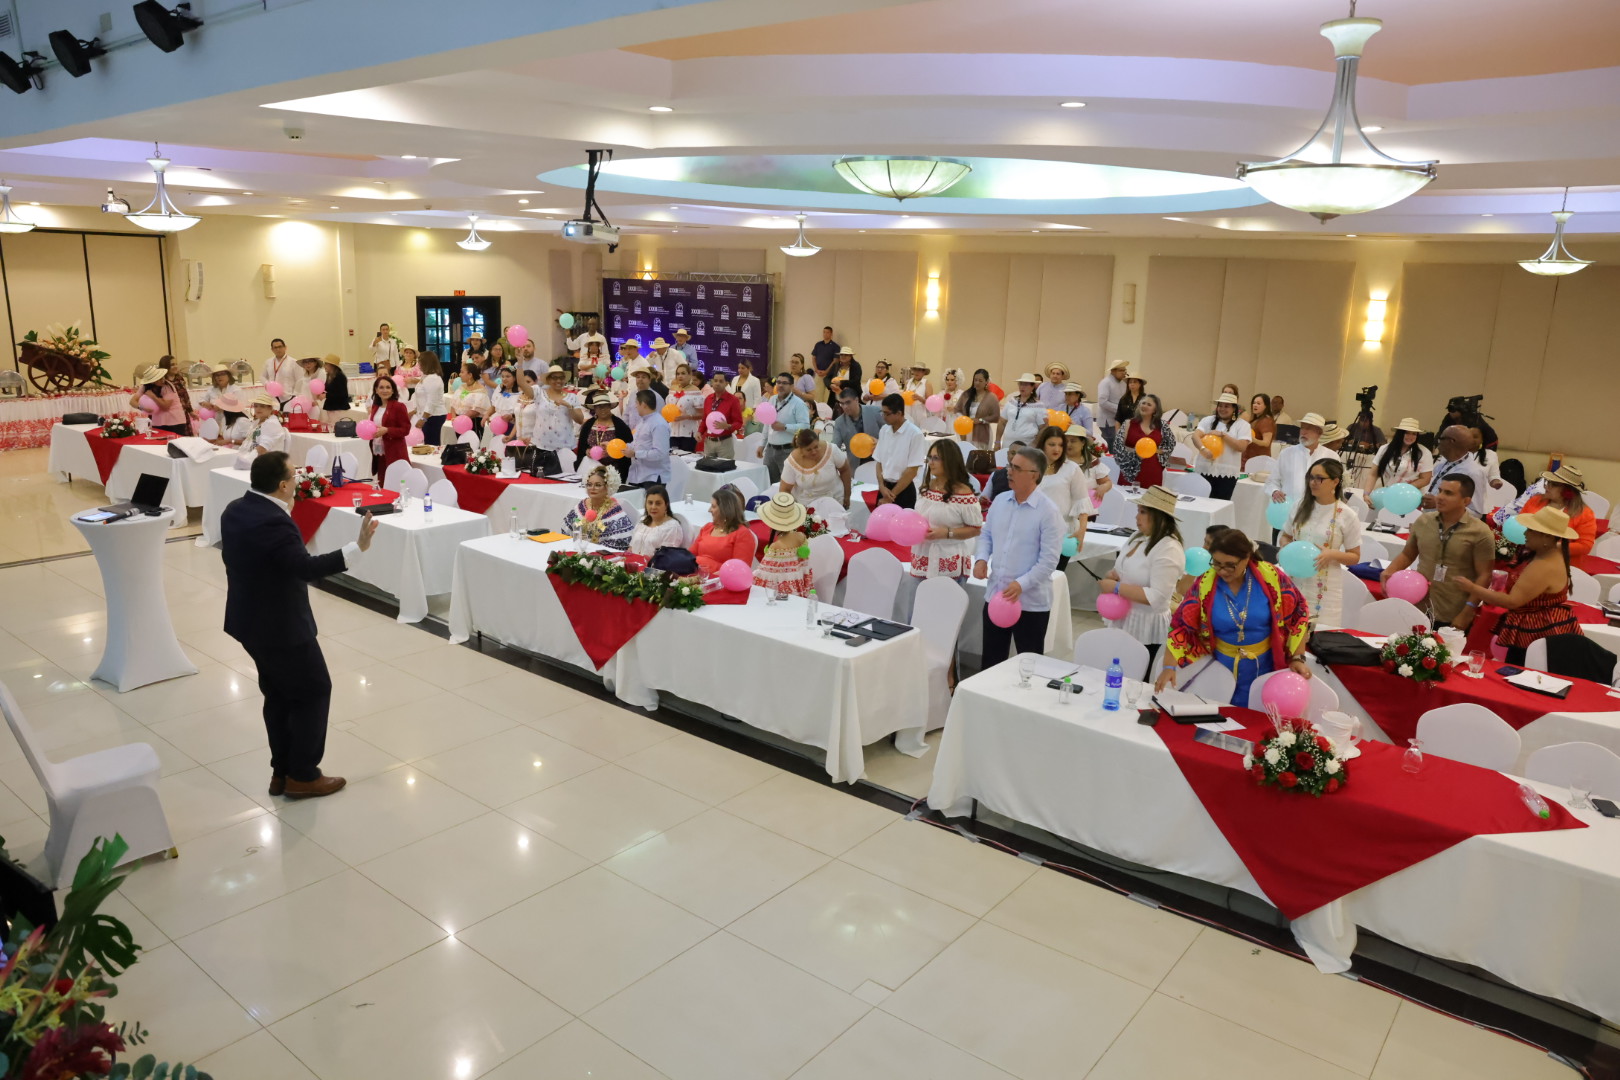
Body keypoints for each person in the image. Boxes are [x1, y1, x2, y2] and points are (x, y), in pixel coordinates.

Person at [222, 450, 376, 799]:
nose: (298, 480)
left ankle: (282, 772)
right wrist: (357, 548)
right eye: (294, 475)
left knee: (278, 695)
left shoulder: (236, 509)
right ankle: (303, 775)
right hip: (280, 626)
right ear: (282, 485)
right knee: (313, 690)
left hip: (249, 621)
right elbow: (303, 568)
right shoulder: (274, 522)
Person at [1156, 529, 1312, 706]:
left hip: (1264, 668)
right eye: (1217, 563)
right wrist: (1168, 667)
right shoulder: (1205, 584)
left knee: (1257, 715)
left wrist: (1297, 658)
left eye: (1230, 565)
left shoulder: (1272, 577)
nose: (1222, 571)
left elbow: (1299, 613)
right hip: (1220, 670)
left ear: (1247, 557)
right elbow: (1181, 625)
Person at [1452, 506, 1585, 665]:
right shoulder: (1551, 552)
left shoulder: (1544, 565)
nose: (1525, 533)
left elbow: (1512, 601)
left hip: (1538, 632)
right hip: (1543, 627)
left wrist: (1472, 588)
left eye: (1530, 530)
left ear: (1546, 537)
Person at [974, 445, 1064, 662]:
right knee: (991, 661)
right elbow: (986, 535)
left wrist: (1021, 584)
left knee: (1028, 664)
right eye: (1010, 466)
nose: (1009, 472)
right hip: (996, 594)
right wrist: (981, 559)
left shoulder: (1048, 511)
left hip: (1030, 602)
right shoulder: (1000, 501)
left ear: (1034, 475)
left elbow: (1049, 560)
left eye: (1017, 468)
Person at [1380, 475, 1494, 630]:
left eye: (1448, 493)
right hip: (1417, 605)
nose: (1439, 497)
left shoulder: (1480, 532)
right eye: (1440, 491)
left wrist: (1468, 611)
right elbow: (1408, 554)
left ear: (1466, 501)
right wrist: (1390, 570)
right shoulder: (1424, 521)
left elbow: (1485, 575)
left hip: (1453, 610)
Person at [1099, 486, 1186, 663]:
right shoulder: (1138, 537)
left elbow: (1158, 597)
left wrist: (1116, 587)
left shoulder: (1168, 548)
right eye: (1138, 511)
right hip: (1123, 617)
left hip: (1145, 626)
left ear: (1158, 516)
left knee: (1135, 673)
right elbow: (1124, 569)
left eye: (1143, 512)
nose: (1136, 517)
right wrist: (1113, 575)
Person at [1277, 458, 1364, 627]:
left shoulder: (1347, 515)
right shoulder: (1299, 506)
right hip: (1294, 580)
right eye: (1311, 477)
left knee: (1319, 634)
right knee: (1287, 629)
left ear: (1335, 482)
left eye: (1319, 478)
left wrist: (1332, 554)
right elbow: (1285, 535)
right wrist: (1286, 547)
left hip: (1325, 588)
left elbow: (1355, 556)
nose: (1313, 482)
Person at [910, 439, 983, 581]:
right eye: (929, 457)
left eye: (936, 458)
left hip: (948, 559)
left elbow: (975, 529)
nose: (931, 462)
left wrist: (946, 533)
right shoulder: (928, 486)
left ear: (949, 461)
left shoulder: (962, 493)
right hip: (923, 555)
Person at [1033, 424, 1090, 569]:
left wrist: (1082, 531)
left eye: (1060, 445)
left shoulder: (1071, 469)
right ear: (1042, 445)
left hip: (1062, 532)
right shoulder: (1031, 467)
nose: (1057, 449)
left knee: (1054, 576)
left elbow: (1082, 502)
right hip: (1033, 531)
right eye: (1052, 444)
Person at [1517, 466, 1597, 563]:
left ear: (1568, 491)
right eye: (1547, 482)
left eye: (1553, 484)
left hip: (1561, 562)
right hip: (1526, 556)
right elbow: (1519, 524)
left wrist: (1552, 547)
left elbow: (1585, 546)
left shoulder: (1585, 513)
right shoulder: (1535, 500)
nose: (1547, 486)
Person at [1264, 411, 1336, 514]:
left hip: (1318, 513)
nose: (1303, 432)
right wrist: (1274, 491)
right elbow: (1272, 481)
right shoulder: (1286, 454)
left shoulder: (1331, 457)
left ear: (1319, 433)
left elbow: (1336, 487)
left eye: (1309, 428)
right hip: (1288, 511)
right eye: (1302, 427)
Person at [1193, 393, 1252, 501]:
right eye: (1220, 405)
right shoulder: (1207, 420)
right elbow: (1195, 436)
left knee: (1219, 505)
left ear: (1234, 409)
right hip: (1204, 469)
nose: (1222, 409)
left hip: (1226, 474)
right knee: (1199, 503)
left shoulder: (1243, 425)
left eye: (1226, 406)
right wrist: (1203, 449)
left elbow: (1241, 447)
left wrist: (1223, 435)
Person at [752, 491, 813, 597]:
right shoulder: (801, 537)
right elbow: (805, 569)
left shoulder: (776, 547)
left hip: (781, 597)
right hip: (799, 592)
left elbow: (764, 576)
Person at [873, 393, 926, 509]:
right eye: (882, 412)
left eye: (887, 413)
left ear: (899, 413)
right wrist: (881, 486)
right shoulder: (884, 430)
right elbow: (879, 462)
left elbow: (912, 470)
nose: (883, 417)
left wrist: (891, 496)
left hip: (903, 490)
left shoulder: (915, 434)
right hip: (884, 488)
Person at [562, 464, 634, 550]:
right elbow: (567, 530)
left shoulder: (614, 512)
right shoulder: (581, 506)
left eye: (598, 485)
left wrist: (591, 548)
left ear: (608, 487)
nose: (592, 488)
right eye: (589, 484)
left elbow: (619, 544)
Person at [1423, 425, 1488, 517]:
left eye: (1441, 439)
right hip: (1429, 519)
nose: (1438, 442)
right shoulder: (1442, 462)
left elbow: (1475, 513)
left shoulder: (1473, 472)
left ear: (1451, 441)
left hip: (1450, 525)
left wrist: (1439, 503)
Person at [690, 485, 756, 573]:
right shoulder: (707, 527)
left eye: (713, 506)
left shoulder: (742, 534)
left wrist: (712, 576)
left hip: (719, 578)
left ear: (725, 510)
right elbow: (691, 555)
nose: (709, 510)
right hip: (695, 573)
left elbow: (739, 569)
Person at [1112, 393, 1172, 489]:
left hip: (1153, 470)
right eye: (1143, 403)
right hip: (1130, 469)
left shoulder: (1163, 426)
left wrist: (1154, 450)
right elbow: (1118, 446)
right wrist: (1134, 452)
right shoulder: (1128, 423)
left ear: (1155, 410)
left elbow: (1169, 446)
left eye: (1149, 404)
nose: (1144, 406)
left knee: (1149, 497)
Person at [780, 427, 850, 507]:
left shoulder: (832, 450)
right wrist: (793, 508)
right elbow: (785, 490)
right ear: (800, 450)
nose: (814, 452)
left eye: (816, 447)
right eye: (809, 450)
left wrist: (847, 496)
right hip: (807, 505)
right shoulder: (791, 462)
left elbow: (845, 470)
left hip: (835, 499)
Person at [762, 371, 810, 483]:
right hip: (770, 450)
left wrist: (785, 427)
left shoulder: (798, 404)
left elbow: (805, 427)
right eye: (778, 382)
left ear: (792, 386)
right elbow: (767, 424)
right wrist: (762, 444)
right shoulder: (772, 399)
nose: (780, 385)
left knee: (788, 484)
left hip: (788, 450)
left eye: (784, 383)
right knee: (770, 483)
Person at [576, 391, 634, 482]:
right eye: (598, 406)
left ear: (610, 407)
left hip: (614, 470)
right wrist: (587, 451)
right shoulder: (588, 425)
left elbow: (627, 446)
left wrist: (611, 450)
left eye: (605, 406)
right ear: (594, 408)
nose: (602, 409)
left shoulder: (620, 426)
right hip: (590, 469)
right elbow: (582, 446)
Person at [366, 375, 411, 477]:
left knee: (397, 480)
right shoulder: (375, 406)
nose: (385, 390)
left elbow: (406, 429)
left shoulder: (399, 407)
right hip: (379, 450)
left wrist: (387, 430)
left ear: (393, 390)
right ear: (376, 390)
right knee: (382, 481)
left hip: (394, 451)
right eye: (381, 387)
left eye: (388, 387)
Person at [624, 390, 671, 486]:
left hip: (653, 476)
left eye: (637, 403)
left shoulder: (659, 424)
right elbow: (636, 444)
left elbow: (660, 453)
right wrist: (620, 447)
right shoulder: (642, 421)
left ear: (643, 404)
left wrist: (635, 454)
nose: (635, 406)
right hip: (638, 474)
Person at [530, 365, 582, 451]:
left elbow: (580, 420)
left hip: (565, 445)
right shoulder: (540, 394)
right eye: (554, 378)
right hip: (541, 444)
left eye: (561, 378)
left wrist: (569, 406)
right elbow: (521, 384)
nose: (558, 380)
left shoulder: (572, 397)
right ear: (548, 380)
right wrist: (520, 364)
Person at [1372, 418, 1433, 490]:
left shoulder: (1424, 452)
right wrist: (1366, 493)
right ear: (1400, 433)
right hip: (1384, 491)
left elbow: (1425, 479)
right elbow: (1372, 475)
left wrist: (1403, 489)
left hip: (1409, 494)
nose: (1410, 437)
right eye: (1407, 433)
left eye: (1414, 434)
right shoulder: (1385, 448)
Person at [130, 364, 190, 436]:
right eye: (159, 379)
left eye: (162, 377)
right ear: (152, 381)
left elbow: (165, 406)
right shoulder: (145, 387)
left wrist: (153, 396)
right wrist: (142, 408)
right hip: (158, 422)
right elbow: (132, 401)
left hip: (175, 421)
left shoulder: (168, 387)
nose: (162, 380)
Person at [628, 484, 685, 557]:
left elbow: (666, 557)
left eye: (658, 503)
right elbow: (631, 548)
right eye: (650, 503)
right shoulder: (642, 521)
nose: (653, 507)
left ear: (666, 505)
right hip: (633, 561)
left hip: (653, 564)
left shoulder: (672, 527)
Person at [830, 388, 883, 464]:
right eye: (842, 403)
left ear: (856, 400)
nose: (845, 407)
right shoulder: (839, 422)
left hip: (878, 461)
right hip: (855, 466)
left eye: (848, 402)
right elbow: (835, 447)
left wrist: (880, 443)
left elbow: (891, 433)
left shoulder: (875, 411)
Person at [955, 368, 1002, 449]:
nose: (977, 383)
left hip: (982, 434)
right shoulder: (966, 394)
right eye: (975, 380)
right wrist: (963, 419)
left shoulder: (991, 397)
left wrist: (980, 420)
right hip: (966, 432)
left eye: (980, 381)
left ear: (986, 382)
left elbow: (996, 417)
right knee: (965, 452)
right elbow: (957, 409)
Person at [702, 371, 744, 458]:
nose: (717, 383)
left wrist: (728, 426)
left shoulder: (733, 400)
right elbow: (704, 419)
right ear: (712, 382)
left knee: (725, 466)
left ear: (726, 383)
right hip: (708, 441)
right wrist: (699, 432)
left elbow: (739, 422)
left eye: (721, 381)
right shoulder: (708, 399)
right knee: (707, 466)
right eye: (715, 381)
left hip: (724, 442)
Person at [999, 373, 1045, 450]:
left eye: (1026, 385)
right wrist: (997, 441)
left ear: (1032, 387)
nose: (1022, 387)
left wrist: (1035, 443)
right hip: (1007, 444)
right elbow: (1002, 422)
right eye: (1021, 384)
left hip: (1027, 445)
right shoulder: (1011, 401)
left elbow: (1043, 427)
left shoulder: (1039, 406)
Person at [410, 354, 448, 446]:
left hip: (433, 416)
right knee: (427, 442)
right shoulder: (425, 376)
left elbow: (431, 401)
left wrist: (423, 419)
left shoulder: (433, 378)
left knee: (431, 444)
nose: (419, 365)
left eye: (420, 363)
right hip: (427, 415)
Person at [236, 389, 288, 454]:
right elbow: (248, 443)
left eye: (262, 406)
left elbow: (262, 449)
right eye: (256, 406)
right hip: (253, 456)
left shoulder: (272, 424)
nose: (258, 409)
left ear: (270, 408)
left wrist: (246, 458)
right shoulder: (256, 422)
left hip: (266, 458)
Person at [666, 363, 704, 451]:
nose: (680, 376)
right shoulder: (672, 390)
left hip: (688, 433)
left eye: (683, 373)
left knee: (687, 457)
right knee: (672, 456)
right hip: (672, 431)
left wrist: (687, 417)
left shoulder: (695, 392)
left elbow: (702, 415)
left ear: (690, 375)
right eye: (678, 374)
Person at [447, 361, 490, 437]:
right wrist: (454, 418)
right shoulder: (462, 387)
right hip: (458, 422)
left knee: (471, 442)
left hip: (472, 423)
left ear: (470, 375)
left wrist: (462, 419)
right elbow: (453, 403)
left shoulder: (480, 390)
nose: (460, 374)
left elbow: (476, 410)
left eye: (462, 372)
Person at [197, 363, 242, 429]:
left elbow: (238, 406)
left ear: (229, 375)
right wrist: (205, 403)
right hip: (215, 423)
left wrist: (221, 408)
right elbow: (200, 399)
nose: (219, 377)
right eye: (216, 375)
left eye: (222, 374)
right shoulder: (211, 389)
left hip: (232, 422)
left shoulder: (235, 389)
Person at [1096, 359, 1129, 444]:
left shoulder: (1124, 384)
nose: (1124, 373)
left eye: (1124, 370)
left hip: (1118, 420)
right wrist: (1120, 409)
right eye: (1121, 370)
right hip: (1107, 421)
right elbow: (1103, 402)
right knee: (1110, 445)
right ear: (1113, 371)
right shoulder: (1106, 382)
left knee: (1117, 443)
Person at [263, 338, 304, 404]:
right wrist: (267, 384)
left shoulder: (294, 362)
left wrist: (295, 395)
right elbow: (262, 377)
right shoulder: (268, 362)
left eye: (280, 347)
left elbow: (300, 379)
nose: (278, 349)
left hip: (288, 397)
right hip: (272, 397)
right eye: (275, 347)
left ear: (285, 347)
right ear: (272, 349)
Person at [316, 354, 351, 425]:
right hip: (331, 406)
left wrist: (326, 395)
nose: (324, 366)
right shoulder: (329, 375)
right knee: (331, 425)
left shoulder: (340, 377)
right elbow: (328, 389)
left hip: (338, 407)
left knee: (336, 426)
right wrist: (321, 392)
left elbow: (342, 394)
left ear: (332, 365)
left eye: (326, 364)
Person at [1242, 393, 1275, 466]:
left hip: (1259, 461)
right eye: (1254, 403)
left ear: (1266, 406)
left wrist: (1252, 439)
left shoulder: (1266, 421)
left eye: (1258, 403)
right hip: (1248, 458)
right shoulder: (1255, 419)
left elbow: (1266, 443)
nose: (1255, 405)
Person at [1468, 424, 1503, 492]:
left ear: (1482, 439)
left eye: (1475, 437)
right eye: (1468, 437)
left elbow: (1494, 476)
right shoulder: (1456, 453)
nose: (1471, 439)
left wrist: (1496, 482)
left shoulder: (1491, 454)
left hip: (1478, 495)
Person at [488, 366, 522, 436]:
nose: (504, 379)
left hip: (513, 426)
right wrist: (487, 415)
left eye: (508, 376)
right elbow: (494, 406)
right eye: (502, 376)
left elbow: (522, 411)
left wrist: (512, 416)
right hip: (498, 424)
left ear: (514, 378)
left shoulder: (520, 392)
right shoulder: (499, 388)